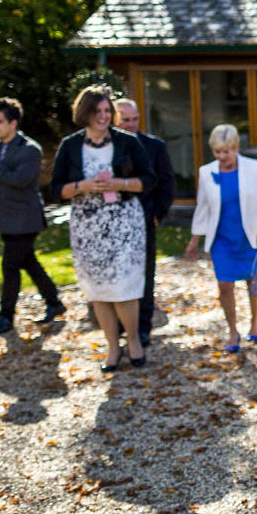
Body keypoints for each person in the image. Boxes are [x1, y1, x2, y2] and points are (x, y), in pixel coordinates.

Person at [50, 84, 155, 371]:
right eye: (99, 111)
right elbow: (55, 189)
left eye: (108, 110)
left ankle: (133, 341)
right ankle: (112, 347)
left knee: (124, 287)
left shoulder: (127, 142)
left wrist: (120, 183)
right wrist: (81, 187)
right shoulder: (70, 145)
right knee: (98, 290)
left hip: (124, 223)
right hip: (87, 226)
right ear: (85, 113)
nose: (104, 116)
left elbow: (149, 180)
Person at [185, 124, 257, 353]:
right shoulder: (207, 172)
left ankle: (255, 322)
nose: (222, 157)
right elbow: (202, 207)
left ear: (236, 147)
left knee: (254, 284)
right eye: (217, 152)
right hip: (222, 239)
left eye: (226, 152)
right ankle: (232, 329)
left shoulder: (254, 168)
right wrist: (194, 240)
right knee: (224, 286)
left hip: (250, 235)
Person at [0, 97, 65, 334]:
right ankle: (54, 302)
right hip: (5, 219)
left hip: (25, 220)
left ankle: (5, 316)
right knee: (28, 262)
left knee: (10, 266)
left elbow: (19, 180)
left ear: (13, 123)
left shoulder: (30, 149)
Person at [113, 98, 174, 348]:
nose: (130, 124)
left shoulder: (154, 146)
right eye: (125, 119)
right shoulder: (109, 146)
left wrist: (159, 213)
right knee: (117, 274)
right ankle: (118, 325)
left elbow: (166, 182)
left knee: (145, 274)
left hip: (146, 218)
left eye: (134, 119)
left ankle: (143, 327)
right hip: (114, 221)